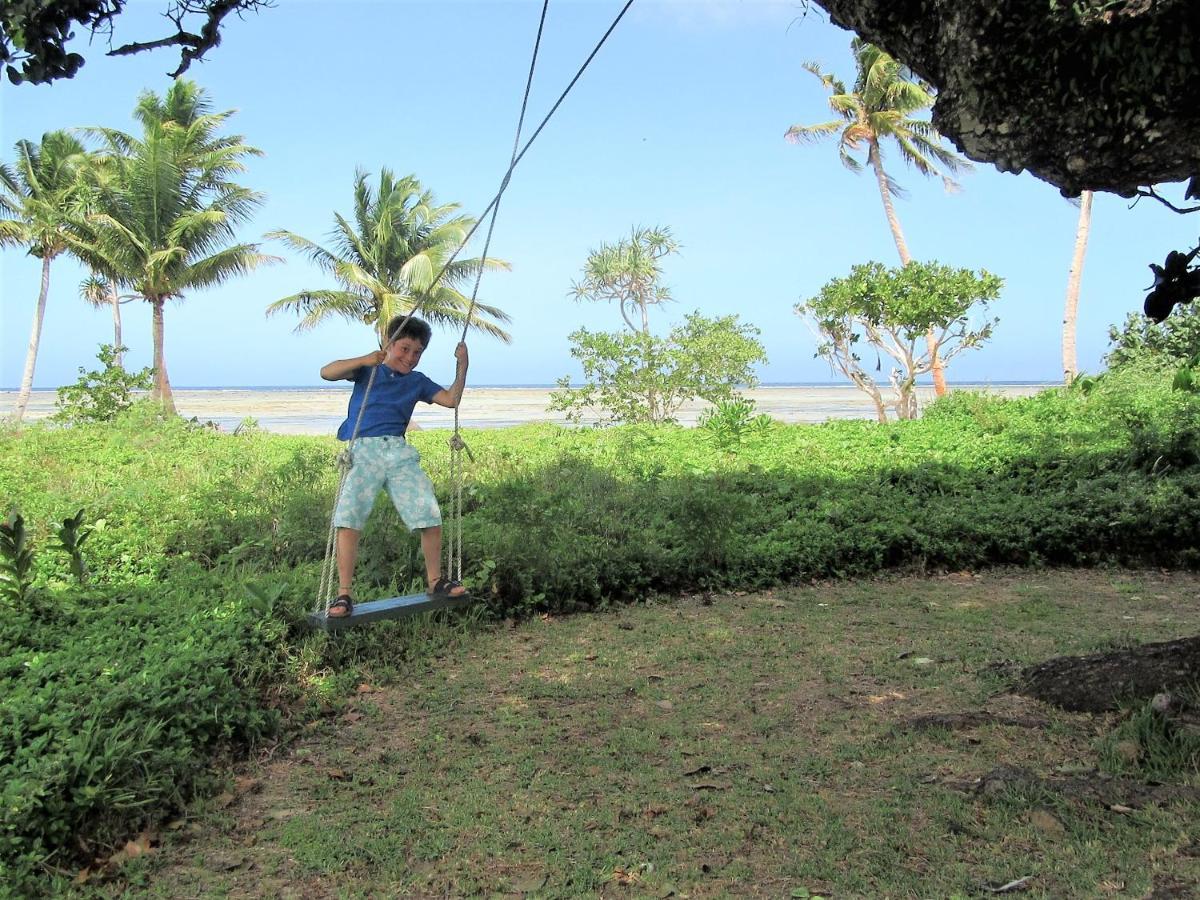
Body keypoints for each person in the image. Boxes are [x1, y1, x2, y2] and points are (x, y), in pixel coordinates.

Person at [320, 314, 469, 618]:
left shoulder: (417, 381)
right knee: (348, 516)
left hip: (398, 451)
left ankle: (435, 581)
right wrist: (368, 358)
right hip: (363, 449)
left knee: (428, 512)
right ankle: (344, 594)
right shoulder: (367, 370)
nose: (410, 358)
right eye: (404, 349)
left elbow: (451, 399)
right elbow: (327, 372)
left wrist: (462, 366)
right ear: (388, 344)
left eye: (417, 352)